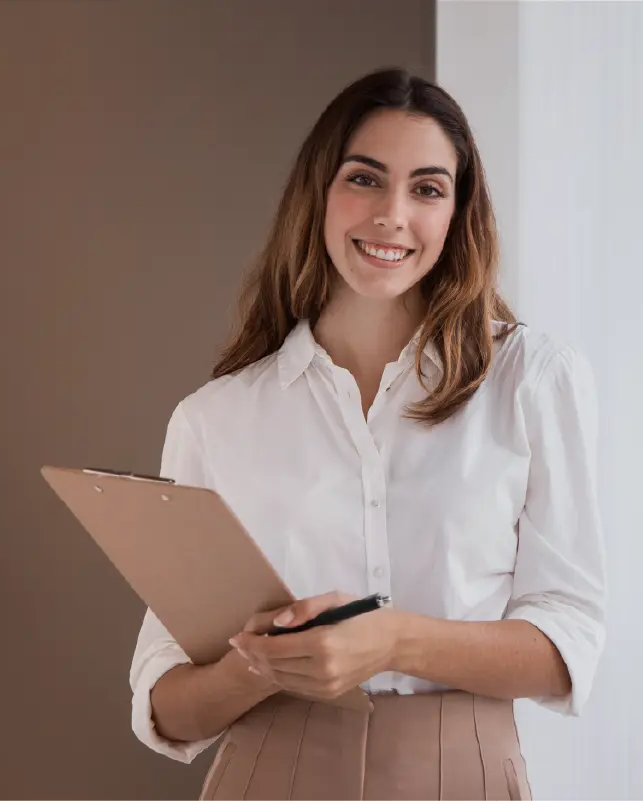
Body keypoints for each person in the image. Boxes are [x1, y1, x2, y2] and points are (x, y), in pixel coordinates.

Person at [127, 66, 607, 801]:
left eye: (426, 188)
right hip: (268, 770)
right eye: (364, 179)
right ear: (318, 193)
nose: (392, 215)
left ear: (457, 213)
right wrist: (262, 663)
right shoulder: (216, 417)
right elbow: (166, 704)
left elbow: (568, 642)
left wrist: (391, 638)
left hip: (465, 769)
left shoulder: (531, 379)